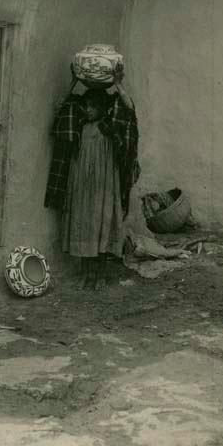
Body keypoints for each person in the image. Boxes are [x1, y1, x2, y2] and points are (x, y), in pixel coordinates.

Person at [45, 63, 140, 290]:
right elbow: (61, 107)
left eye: (92, 106)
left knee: (101, 226)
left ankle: (99, 275)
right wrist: (74, 82)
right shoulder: (78, 124)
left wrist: (117, 83)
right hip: (80, 183)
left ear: (102, 107)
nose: (87, 110)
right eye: (86, 105)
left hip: (104, 184)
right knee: (84, 225)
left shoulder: (110, 124)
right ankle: (86, 274)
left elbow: (129, 108)